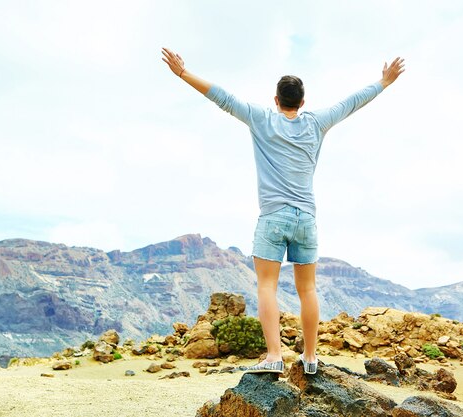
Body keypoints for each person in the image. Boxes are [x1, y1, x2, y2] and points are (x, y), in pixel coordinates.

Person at [162, 47, 405, 374]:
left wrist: (182, 73)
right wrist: (384, 82)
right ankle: (310, 358)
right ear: (302, 102)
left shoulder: (261, 118)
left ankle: (274, 356)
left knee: (266, 286)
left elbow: (221, 97)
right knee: (307, 289)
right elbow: (351, 102)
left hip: (273, 217)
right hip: (306, 218)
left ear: (276, 100)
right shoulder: (317, 122)